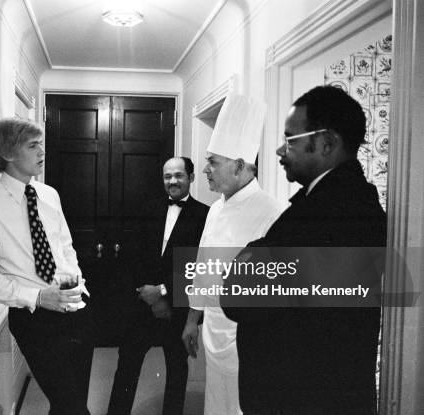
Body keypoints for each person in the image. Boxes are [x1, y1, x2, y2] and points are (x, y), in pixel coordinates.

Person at [222, 85, 387, 415]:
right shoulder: (328, 202)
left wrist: (251, 254)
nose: (280, 151)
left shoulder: (341, 211)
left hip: (306, 398)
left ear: (326, 143)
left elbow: (239, 296)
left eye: (291, 139)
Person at [0, 117, 93, 415]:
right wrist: (39, 297)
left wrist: (78, 284)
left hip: (75, 310)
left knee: (70, 401)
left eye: (41, 144)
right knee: (72, 405)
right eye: (33, 145)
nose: (42, 151)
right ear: (8, 153)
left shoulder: (49, 194)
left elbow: (65, 246)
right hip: (34, 318)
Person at [181, 94, 286, 415]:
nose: (205, 170)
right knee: (215, 403)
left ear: (240, 166)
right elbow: (203, 266)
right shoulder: (215, 209)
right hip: (213, 328)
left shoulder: (274, 212)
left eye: (213, 162)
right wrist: (191, 320)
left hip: (248, 337)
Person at [107, 157, 209, 415]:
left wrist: (163, 292)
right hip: (141, 306)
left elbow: (199, 266)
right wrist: (147, 293)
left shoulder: (206, 216)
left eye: (178, 175)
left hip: (177, 309)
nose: (172, 181)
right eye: (167, 176)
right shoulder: (148, 209)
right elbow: (133, 256)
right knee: (126, 368)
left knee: (177, 370)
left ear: (191, 177)